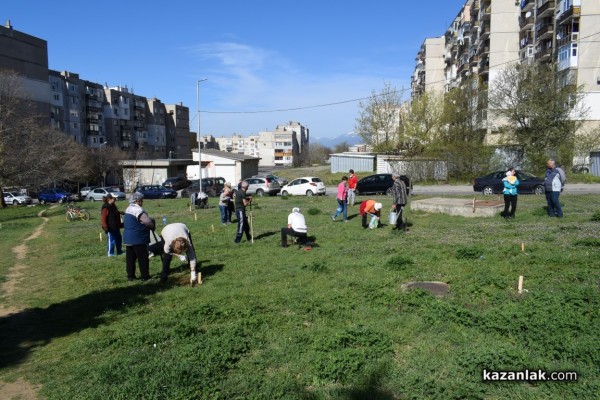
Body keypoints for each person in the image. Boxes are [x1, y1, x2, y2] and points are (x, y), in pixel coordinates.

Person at [123, 192, 155, 281]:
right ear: (137, 201)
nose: (142, 202)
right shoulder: (138, 210)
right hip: (138, 238)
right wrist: (152, 225)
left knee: (130, 258)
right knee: (143, 258)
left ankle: (130, 276)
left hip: (128, 238)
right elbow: (147, 222)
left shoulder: (128, 208)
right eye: (141, 200)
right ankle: (145, 276)